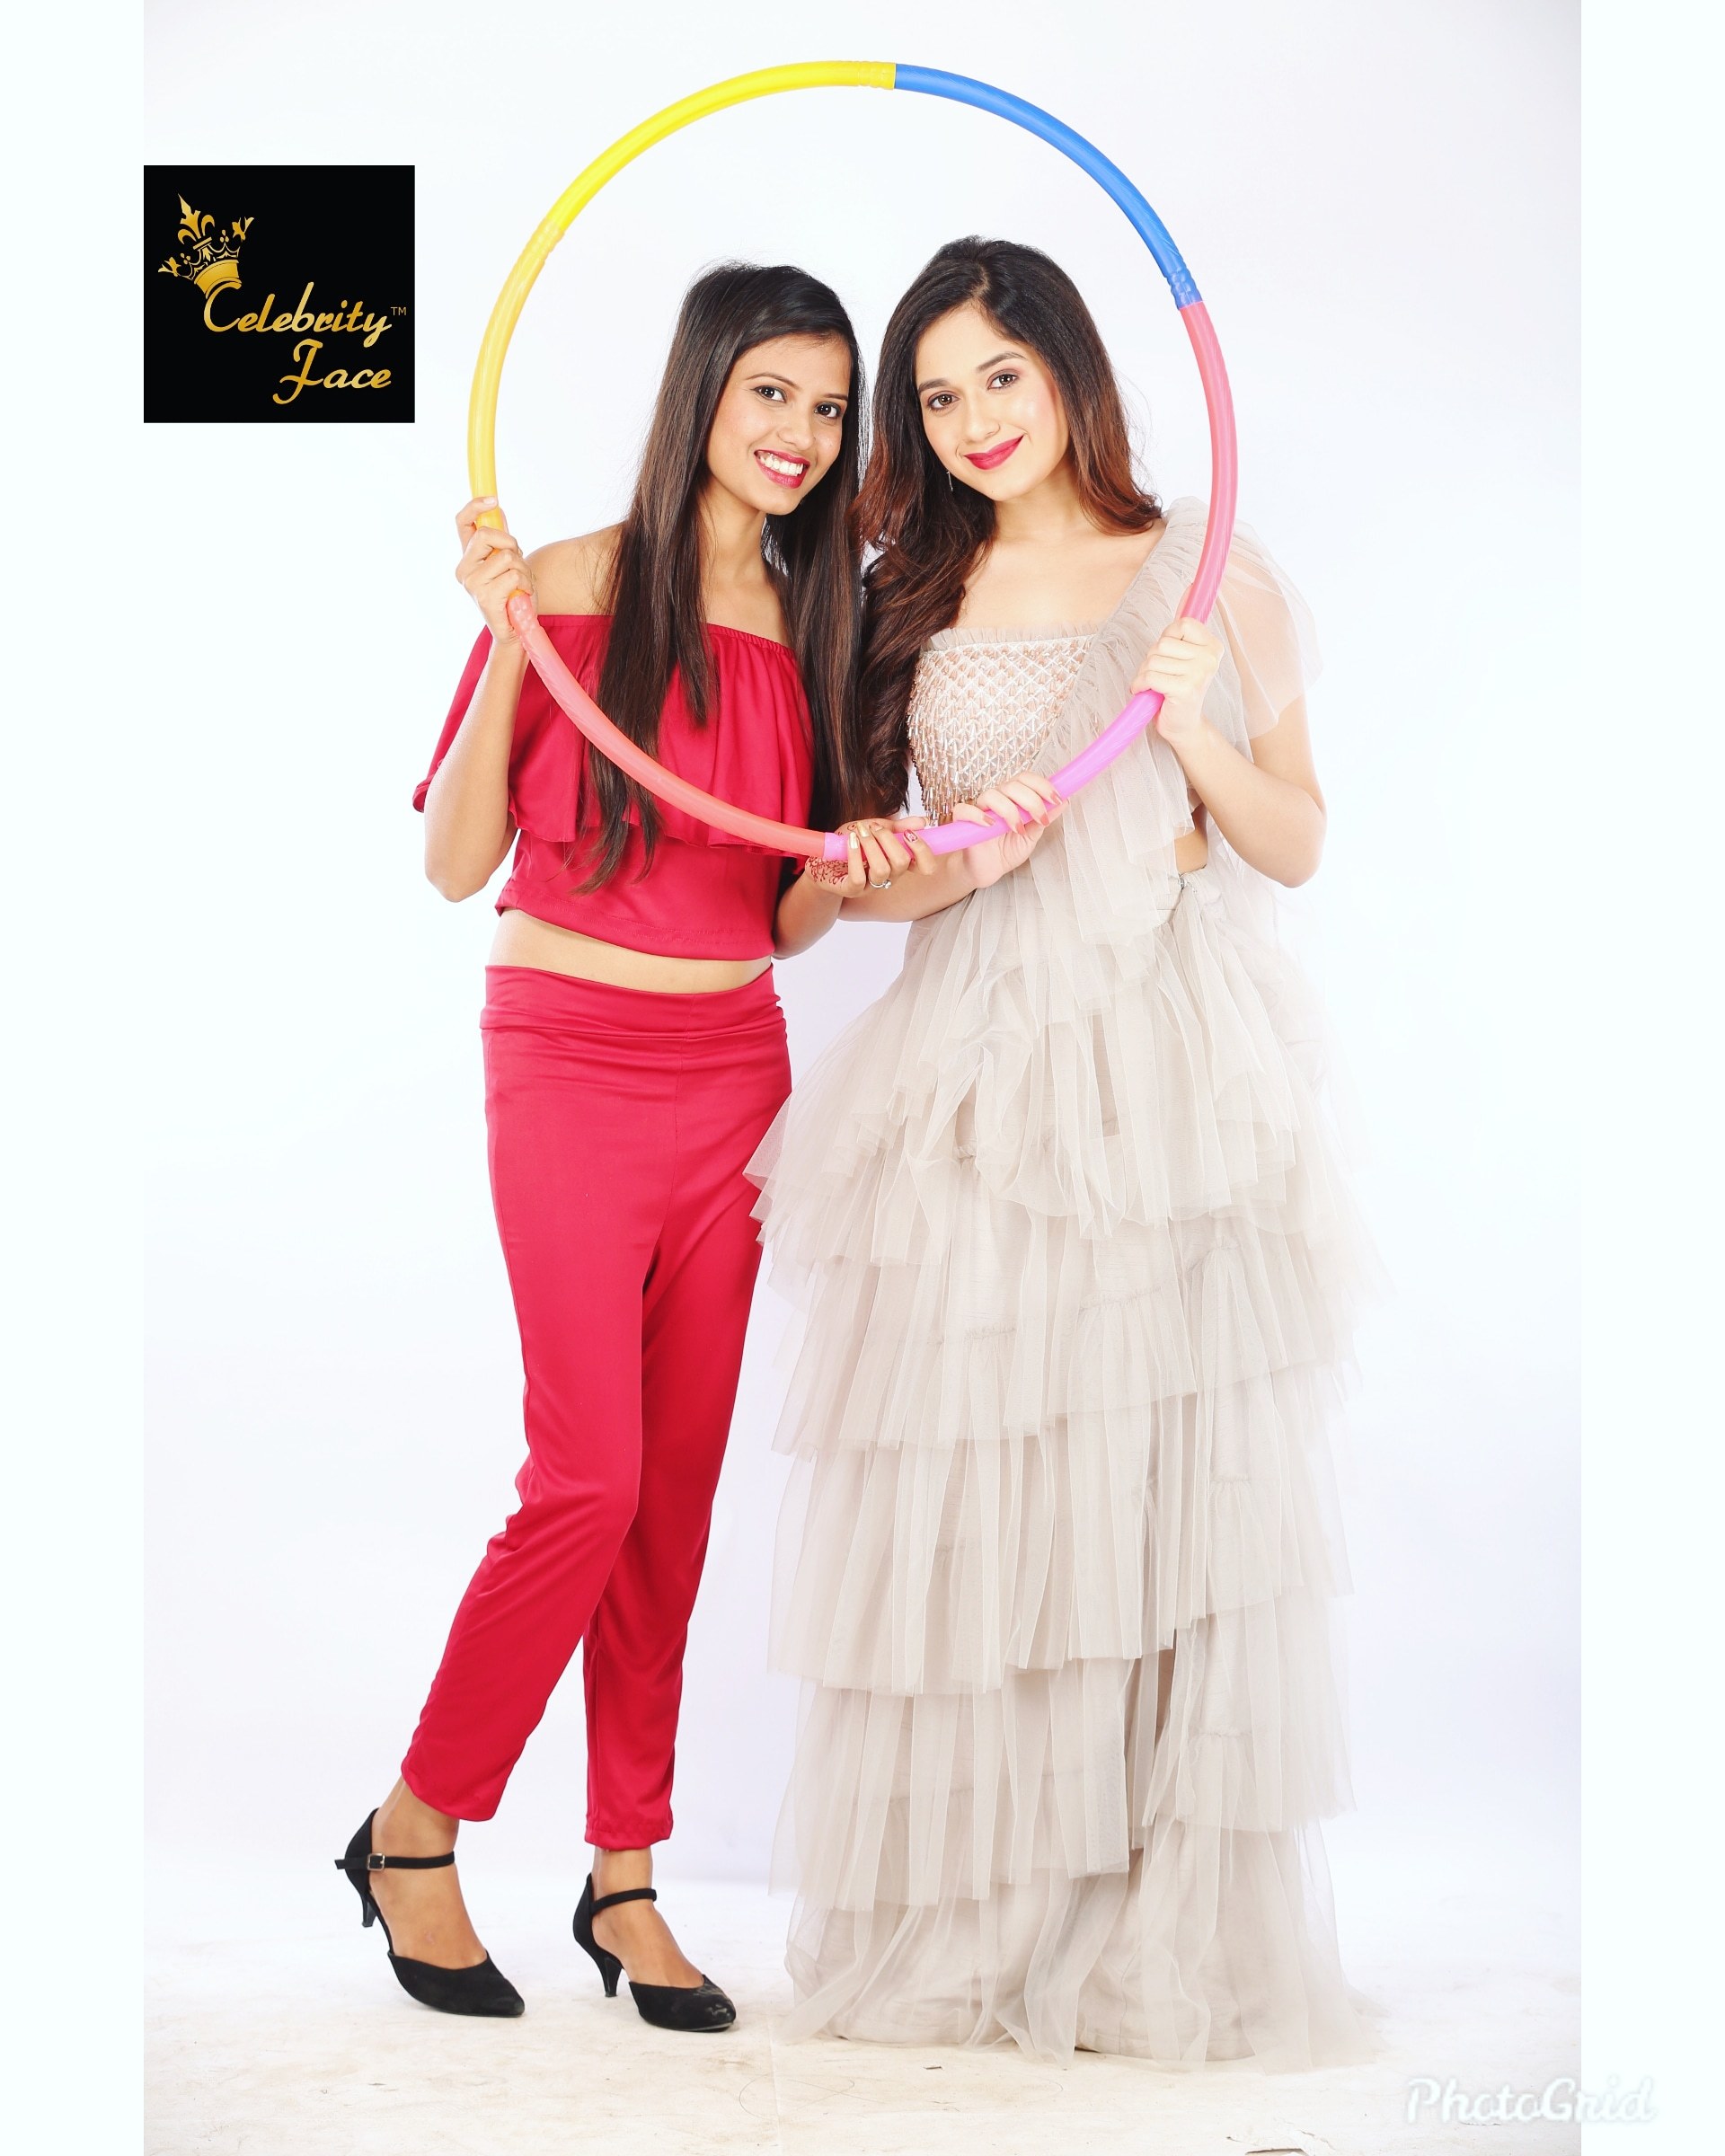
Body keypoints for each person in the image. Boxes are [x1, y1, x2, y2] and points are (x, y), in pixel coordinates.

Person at [750, 236, 1380, 2065]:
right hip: (976, 1069)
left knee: (1161, 1492)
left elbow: (1295, 842)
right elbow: (850, 885)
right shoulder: (907, 590)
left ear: (1071, 373)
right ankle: (987, 1928)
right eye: (938, 397)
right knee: (984, 1493)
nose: (974, 423)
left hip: (1165, 1068)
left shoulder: (1210, 569)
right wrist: (946, 865)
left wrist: (1187, 728)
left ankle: (1148, 1940)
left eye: (999, 380)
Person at [334, 261, 912, 2028]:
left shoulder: (823, 625)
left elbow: (782, 915)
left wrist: (847, 872)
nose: (800, 435)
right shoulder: (571, 581)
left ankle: (627, 1878)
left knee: (668, 1497)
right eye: (771, 394)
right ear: (702, 391)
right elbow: (454, 866)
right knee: (583, 1477)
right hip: (570, 1061)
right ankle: (416, 1826)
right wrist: (508, 649)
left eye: (829, 408)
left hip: (734, 1072)